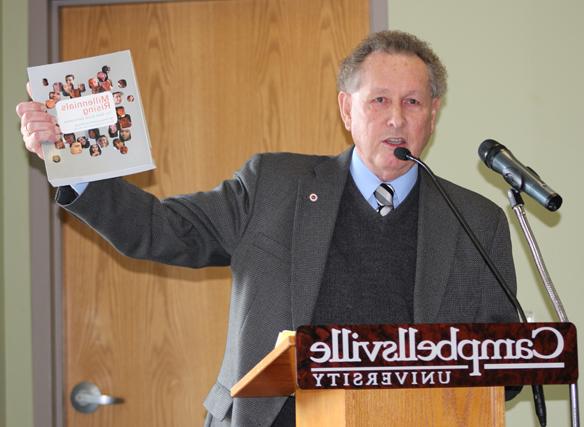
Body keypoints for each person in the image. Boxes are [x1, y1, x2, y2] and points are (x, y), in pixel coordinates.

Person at [16, 31, 518, 427]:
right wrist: (74, 167)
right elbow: (161, 229)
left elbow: (505, 363)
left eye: (412, 103)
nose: (396, 119)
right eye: (378, 101)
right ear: (347, 109)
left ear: (433, 114)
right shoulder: (275, 185)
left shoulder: (476, 221)